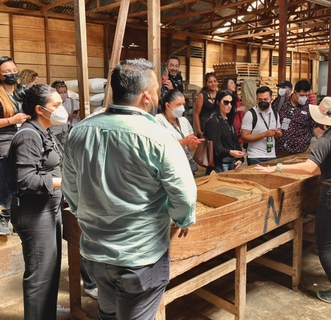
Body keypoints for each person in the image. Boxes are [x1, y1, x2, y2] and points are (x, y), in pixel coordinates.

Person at [62, 58, 196, 320]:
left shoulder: (80, 131)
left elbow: (71, 190)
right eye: (157, 91)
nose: (158, 95)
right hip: (139, 258)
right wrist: (183, 218)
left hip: (96, 255)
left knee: (107, 314)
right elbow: (184, 194)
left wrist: (87, 214)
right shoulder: (158, 136)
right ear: (146, 96)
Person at [257, 97, 331, 308]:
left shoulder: (327, 140)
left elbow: (309, 168)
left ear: (325, 120)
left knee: (323, 246)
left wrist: (276, 168)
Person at [9, 84, 69, 319]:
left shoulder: (44, 131)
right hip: (34, 214)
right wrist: (61, 182)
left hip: (49, 209)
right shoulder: (27, 136)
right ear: (39, 109)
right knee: (39, 276)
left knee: (51, 271)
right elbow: (26, 180)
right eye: (56, 105)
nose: (61, 109)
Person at [0, 56, 30, 235]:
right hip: (3, 138)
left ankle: (19, 216)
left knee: (26, 173)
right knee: (5, 168)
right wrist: (12, 119)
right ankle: (4, 214)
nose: (12, 74)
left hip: (23, 135)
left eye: (13, 70)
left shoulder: (21, 91)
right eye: (6, 72)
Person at [156, 89, 204, 175]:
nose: (182, 108)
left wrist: (193, 144)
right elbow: (160, 147)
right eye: (178, 104)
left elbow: (190, 149)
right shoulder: (158, 120)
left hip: (186, 164)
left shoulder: (183, 120)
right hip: (170, 167)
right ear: (168, 105)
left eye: (183, 104)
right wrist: (182, 142)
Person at [275, 80, 324, 158]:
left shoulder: (309, 108)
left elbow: (316, 128)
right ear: (295, 92)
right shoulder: (280, 102)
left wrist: (324, 139)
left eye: (306, 96)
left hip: (299, 152)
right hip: (280, 150)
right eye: (302, 95)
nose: (304, 98)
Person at [204, 89, 244, 173]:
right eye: (226, 102)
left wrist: (240, 159)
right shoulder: (214, 121)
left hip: (232, 163)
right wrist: (231, 152)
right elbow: (216, 147)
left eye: (231, 103)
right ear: (218, 102)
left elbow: (235, 142)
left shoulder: (229, 120)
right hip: (220, 165)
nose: (229, 105)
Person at [241, 86, 282, 165]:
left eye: (265, 99)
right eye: (260, 100)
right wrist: (264, 134)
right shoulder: (250, 114)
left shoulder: (275, 114)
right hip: (255, 156)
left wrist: (278, 134)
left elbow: (278, 134)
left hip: (272, 155)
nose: (263, 102)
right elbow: (245, 137)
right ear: (256, 100)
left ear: (271, 100)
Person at [50, 81, 80, 145]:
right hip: (55, 133)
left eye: (65, 92)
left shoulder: (74, 103)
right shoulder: (50, 105)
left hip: (70, 132)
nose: (63, 94)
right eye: (60, 93)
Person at [222, 77, 246, 144]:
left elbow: (241, 113)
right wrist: (237, 109)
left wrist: (243, 125)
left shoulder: (236, 97)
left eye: (234, 83)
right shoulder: (223, 97)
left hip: (238, 126)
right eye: (231, 83)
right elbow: (223, 111)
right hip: (228, 126)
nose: (234, 85)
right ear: (226, 85)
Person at [194, 72, 218, 137]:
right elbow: (196, 114)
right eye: (210, 82)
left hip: (217, 126)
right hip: (204, 126)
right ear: (206, 84)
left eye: (215, 81)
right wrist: (198, 130)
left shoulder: (220, 95)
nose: (213, 84)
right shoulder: (202, 96)